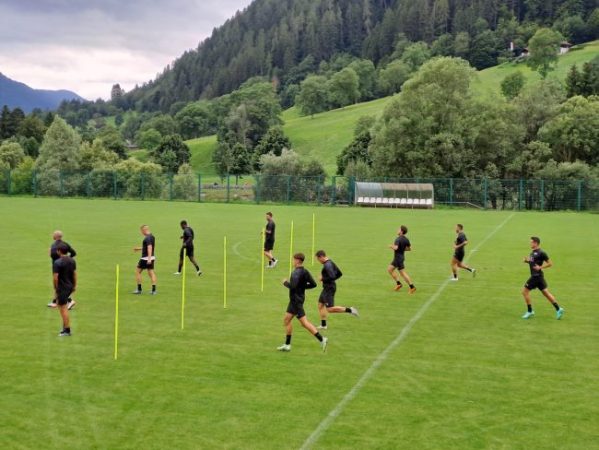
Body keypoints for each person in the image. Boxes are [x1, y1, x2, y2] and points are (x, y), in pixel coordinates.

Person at [277, 253, 327, 352]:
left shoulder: (295, 273)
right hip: (297, 300)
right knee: (286, 320)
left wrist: (285, 282)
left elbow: (293, 287)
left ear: (297, 260)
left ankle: (322, 339)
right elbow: (313, 284)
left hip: (296, 301)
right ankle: (287, 345)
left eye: (293, 259)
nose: (292, 261)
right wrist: (302, 287)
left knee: (304, 323)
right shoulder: (305, 271)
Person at [521, 236, 564, 320]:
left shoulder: (542, 253)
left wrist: (540, 267)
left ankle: (530, 311)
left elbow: (550, 263)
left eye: (531, 242)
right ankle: (559, 309)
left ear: (536, 243)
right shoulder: (532, 252)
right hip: (539, 277)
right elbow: (533, 263)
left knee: (524, 292)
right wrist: (527, 261)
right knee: (546, 293)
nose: (530, 243)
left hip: (536, 277)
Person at [315, 250, 358, 330]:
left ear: (321, 257)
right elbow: (339, 274)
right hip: (327, 288)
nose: (318, 261)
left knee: (330, 309)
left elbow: (332, 276)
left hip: (329, 289)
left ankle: (350, 310)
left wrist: (322, 279)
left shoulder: (327, 265)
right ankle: (323, 325)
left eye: (318, 259)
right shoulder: (330, 262)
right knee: (320, 305)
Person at [48, 230, 77, 310]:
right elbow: (73, 253)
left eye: (53, 234)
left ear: (56, 236)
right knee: (64, 284)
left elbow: (52, 256)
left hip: (58, 268)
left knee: (59, 284)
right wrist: (68, 259)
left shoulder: (53, 246)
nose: (52, 235)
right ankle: (55, 301)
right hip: (68, 266)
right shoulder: (65, 244)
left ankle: (69, 300)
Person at [53, 243, 77, 336]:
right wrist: (74, 286)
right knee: (63, 307)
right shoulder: (72, 261)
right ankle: (65, 327)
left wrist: (56, 288)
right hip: (69, 286)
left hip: (62, 287)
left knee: (63, 308)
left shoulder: (57, 262)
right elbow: (75, 274)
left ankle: (67, 330)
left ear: (59, 251)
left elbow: (55, 277)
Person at [388, 225, 416, 294]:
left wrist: (391, 246)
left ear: (401, 231)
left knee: (402, 273)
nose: (397, 230)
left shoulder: (398, 239)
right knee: (390, 269)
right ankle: (398, 284)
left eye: (398, 229)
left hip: (398, 259)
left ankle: (412, 287)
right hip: (399, 258)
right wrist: (402, 249)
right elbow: (409, 249)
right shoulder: (406, 239)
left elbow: (396, 248)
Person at [133, 225, 157, 295]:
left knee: (137, 272)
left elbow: (149, 247)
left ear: (144, 230)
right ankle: (154, 290)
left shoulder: (147, 238)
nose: (141, 233)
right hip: (152, 257)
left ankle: (139, 289)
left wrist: (148, 259)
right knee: (151, 273)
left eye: (141, 231)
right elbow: (150, 247)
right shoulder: (152, 236)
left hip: (145, 258)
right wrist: (139, 249)